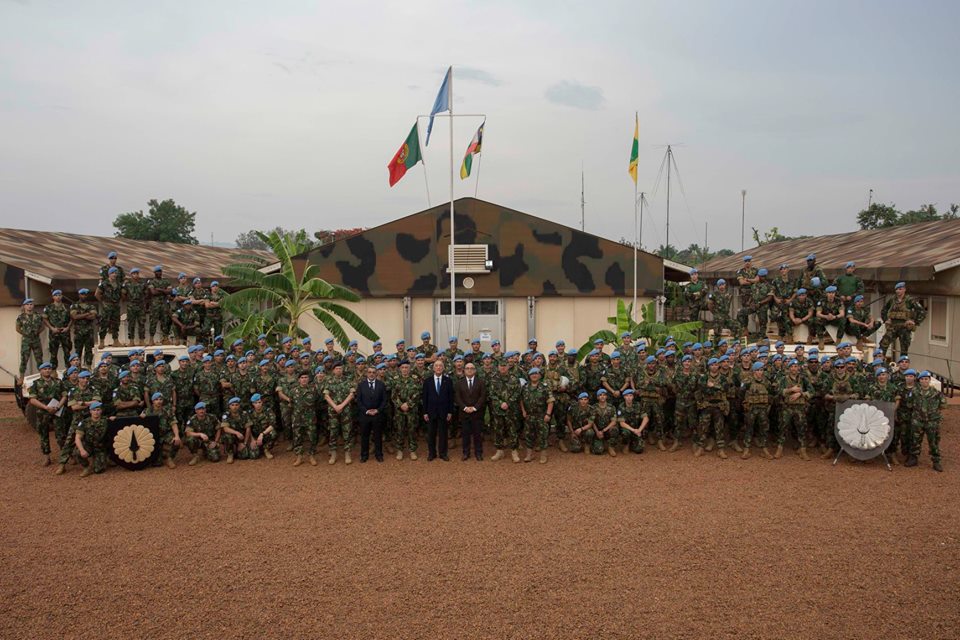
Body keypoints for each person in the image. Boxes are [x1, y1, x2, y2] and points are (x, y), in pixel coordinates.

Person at [905, 371, 945, 471]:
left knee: (933, 442)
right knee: (915, 440)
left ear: (929, 380)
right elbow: (909, 404)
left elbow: (943, 405)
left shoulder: (936, 393)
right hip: (918, 421)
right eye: (922, 379)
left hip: (932, 422)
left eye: (926, 379)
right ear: (919, 380)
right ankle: (913, 458)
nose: (924, 381)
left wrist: (934, 415)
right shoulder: (914, 392)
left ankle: (936, 461)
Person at [29, 362, 65, 465]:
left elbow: (64, 396)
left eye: (49, 368)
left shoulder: (58, 382)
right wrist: (46, 407)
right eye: (45, 369)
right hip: (43, 412)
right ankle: (46, 456)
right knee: (43, 434)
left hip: (57, 410)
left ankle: (64, 455)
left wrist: (58, 407)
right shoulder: (36, 384)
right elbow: (32, 399)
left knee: (60, 434)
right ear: (40, 371)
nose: (47, 370)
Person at [880, 282, 926, 359]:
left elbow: (921, 311)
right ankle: (880, 362)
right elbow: (884, 310)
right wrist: (886, 319)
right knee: (883, 344)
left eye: (900, 289)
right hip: (893, 326)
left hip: (904, 327)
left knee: (904, 349)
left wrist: (915, 322)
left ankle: (903, 364)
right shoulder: (892, 300)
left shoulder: (909, 300)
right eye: (897, 289)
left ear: (904, 289)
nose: (898, 291)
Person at [488, 358, 522, 462]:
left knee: (513, 431)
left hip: (511, 409)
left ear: (508, 366)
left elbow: (517, 392)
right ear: (498, 367)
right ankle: (499, 451)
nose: (503, 368)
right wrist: (500, 403)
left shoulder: (514, 378)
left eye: (504, 366)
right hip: (498, 409)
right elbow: (491, 393)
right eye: (501, 366)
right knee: (498, 430)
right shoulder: (493, 378)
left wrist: (508, 402)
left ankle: (514, 451)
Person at [519, 366, 554, 464]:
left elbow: (550, 401)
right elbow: (520, 400)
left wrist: (548, 414)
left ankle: (543, 455)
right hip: (529, 415)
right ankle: (529, 454)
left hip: (541, 416)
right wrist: (523, 411)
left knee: (543, 435)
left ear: (539, 375)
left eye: (536, 374)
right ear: (529, 376)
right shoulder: (525, 387)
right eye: (532, 374)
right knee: (528, 435)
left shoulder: (545, 387)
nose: (534, 376)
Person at [421, 359, 454, 461]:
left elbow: (451, 398)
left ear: (443, 368)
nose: (438, 367)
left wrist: (450, 411)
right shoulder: (427, 381)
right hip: (431, 412)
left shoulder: (448, 381)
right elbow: (424, 398)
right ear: (433, 368)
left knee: (443, 433)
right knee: (431, 434)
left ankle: (443, 453)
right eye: (436, 366)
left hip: (444, 412)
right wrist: (425, 412)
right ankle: (432, 453)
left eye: (440, 366)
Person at [455, 362, 486, 461]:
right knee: (465, 435)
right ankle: (466, 453)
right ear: (464, 370)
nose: (469, 370)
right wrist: (465, 408)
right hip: (464, 413)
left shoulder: (481, 382)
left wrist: (474, 408)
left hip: (477, 413)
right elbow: (457, 397)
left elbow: (482, 397)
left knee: (478, 434)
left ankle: (478, 453)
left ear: (475, 371)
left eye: (471, 368)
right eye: (467, 368)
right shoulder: (459, 383)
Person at [356, 365, 388, 463]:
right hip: (365, 415)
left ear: (376, 373)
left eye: (373, 372)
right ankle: (364, 455)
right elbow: (359, 401)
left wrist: (378, 410)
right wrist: (366, 411)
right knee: (365, 436)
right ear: (366, 373)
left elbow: (384, 400)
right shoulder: (361, 385)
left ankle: (379, 454)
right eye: (369, 372)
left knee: (378, 435)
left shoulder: (381, 385)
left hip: (377, 414)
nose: (371, 374)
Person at [291, 371, 320, 466]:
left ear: (308, 379)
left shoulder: (313, 389)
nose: (304, 379)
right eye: (302, 377)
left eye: (306, 377)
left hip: (310, 418)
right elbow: (291, 404)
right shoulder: (293, 390)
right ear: (299, 379)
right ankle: (299, 456)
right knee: (297, 437)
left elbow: (317, 402)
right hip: (297, 418)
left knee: (312, 436)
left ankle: (311, 455)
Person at [75, 401, 109, 478]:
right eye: (94, 410)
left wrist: (114, 418)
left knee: (98, 470)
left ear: (101, 411)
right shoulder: (84, 422)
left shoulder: (106, 421)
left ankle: (103, 458)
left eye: (98, 410)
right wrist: (82, 450)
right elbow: (77, 438)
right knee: (77, 452)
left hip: (100, 447)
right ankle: (86, 467)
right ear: (90, 411)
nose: (96, 412)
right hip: (89, 446)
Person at [42, 290, 72, 369]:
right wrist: (51, 328)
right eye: (56, 295)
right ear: (53, 297)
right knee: (53, 353)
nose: (58, 297)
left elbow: (72, 318)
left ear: (62, 296)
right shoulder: (48, 307)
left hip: (65, 332)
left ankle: (69, 370)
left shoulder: (67, 307)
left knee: (67, 352)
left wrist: (68, 327)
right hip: (54, 332)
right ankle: (53, 370)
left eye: (59, 295)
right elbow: (44, 319)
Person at [16, 298, 44, 378]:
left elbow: (42, 326)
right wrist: (25, 334)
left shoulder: (38, 316)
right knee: (24, 360)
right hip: (26, 341)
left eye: (31, 304)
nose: (29, 306)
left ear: (33, 306)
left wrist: (37, 332)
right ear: (24, 306)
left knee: (39, 359)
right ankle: (21, 377)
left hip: (36, 340)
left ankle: (42, 377)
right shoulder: (21, 317)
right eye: (27, 305)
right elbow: (17, 328)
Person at [96, 266, 123, 348]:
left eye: (115, 273)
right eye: (112, 273)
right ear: (109, 274)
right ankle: (101, 341)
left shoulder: (118, 284)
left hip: (116, 306)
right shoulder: (104, 283)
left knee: (116, 324)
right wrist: (103, 302)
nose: (114, 275)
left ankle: (115, 341)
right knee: (104, 323)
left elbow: (121, 295)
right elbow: (97, 294)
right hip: (107, 306)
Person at [147, 265, 173, 344]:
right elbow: (153, 292)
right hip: (155, 305)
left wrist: (159, 289)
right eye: (157, 271)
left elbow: (170, 292)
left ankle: (165, 338)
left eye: (160, 271)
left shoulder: (166, 281)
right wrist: (164, 291)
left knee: (165, 322)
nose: (159, 273)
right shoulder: (151, 282)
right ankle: (151, 339)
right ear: (154, 273)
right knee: (153, 322)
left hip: (164, 305)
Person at [247, 393, 277, 459]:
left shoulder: (268, 411)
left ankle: (266, 449)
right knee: (254, 456)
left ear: (262, 402)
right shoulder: (250, 413)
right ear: (252, 404)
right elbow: (248, 428)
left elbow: (273, 425)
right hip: (254, 437)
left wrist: (262, 434)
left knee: (273, 433)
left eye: (259, 402)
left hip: (265, 434)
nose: (258, 404)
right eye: (255, 403)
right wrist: (252, 440)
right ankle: (259, 448)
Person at [123, 268, 149, 345]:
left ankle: (142, 340)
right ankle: (131, 341)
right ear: (131, 275)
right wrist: (128, 300)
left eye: (137, 273)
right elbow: (123, 294)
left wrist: (144, 303)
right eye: (134, 274)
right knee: (131, 324)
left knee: (141, 323)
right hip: (131, 306)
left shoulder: (143, 284)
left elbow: (146, 294)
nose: (136, 275)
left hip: (141, 305)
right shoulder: (127, 284)